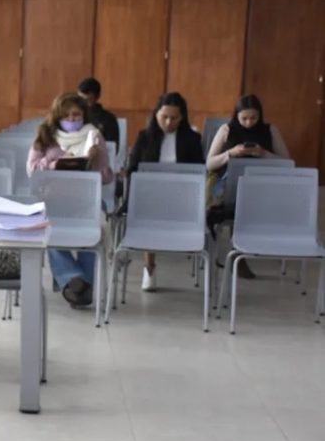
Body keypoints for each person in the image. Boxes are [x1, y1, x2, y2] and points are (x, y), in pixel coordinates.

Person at [28, 92, 114, 309]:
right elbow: (32, 170)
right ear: (57, 116)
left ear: (84, 115)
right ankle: (75, 280)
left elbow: (106, 176)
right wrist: (54, 162)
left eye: (76, 115)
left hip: (85, 199)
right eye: (66, 115)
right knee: (46, 225)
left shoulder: (94, 136)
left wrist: (94, 159)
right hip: (54, 199)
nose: (72, 119)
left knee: (94, 223)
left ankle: (78, 285)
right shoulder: (45, 136)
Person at [205, 94, 290, 279]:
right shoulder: (226, 129)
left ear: (260, 116)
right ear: (236, 116)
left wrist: (264, 154)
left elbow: (287, 163)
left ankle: (238, 250)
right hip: (229, 184)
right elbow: (209, 163)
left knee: (249, 201)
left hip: (261, 186)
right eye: (244, 118)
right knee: (237, 200)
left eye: (254, 118)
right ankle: (237, 252)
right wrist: (230, 153)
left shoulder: (270, 130)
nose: (249, 122)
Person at [126, 92, 204, 291]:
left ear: (182, 117)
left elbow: (199, 172)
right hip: (150, 195)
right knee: (148, 211)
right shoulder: (145, 137)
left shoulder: (192, 139)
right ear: (156, 115)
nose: (169, 122)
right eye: (164, 117)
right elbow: (132, 169)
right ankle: (149, 266)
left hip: (182, 196)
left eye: (174, 118)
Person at [78, 77, 120, 146]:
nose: (83, 103)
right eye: (80, 99)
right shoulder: (73, 116)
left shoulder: (108, 119)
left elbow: (112, 146)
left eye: (88, 100)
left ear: (97, 97)